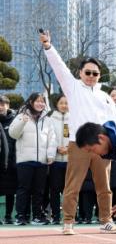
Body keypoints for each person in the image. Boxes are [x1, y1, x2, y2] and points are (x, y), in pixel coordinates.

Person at [39, 30, 116, 235]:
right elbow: (58, 67)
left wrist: (111, 145)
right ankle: (68, 221)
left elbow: (113, 124)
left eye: (95, 73)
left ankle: (106, 220)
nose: (91, 76)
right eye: (88, 72)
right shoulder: (73, 87)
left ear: (99, 76)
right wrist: (48, 46)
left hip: (102, 145)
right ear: (80, 73)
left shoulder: (106, 97)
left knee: (104, 186)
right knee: (72, 184)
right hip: (78, 143)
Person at [9, 92, 56, 225]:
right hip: (24, 160)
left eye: (42, 101)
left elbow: (52, 139)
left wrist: (51, 155)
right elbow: (13, 134)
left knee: (39, 190)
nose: (40, 104)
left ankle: (37, 216)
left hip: (41, 161)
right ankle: (20, 216)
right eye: (37, 101)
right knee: (23, 189)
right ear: (31, 102)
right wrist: (22, 123)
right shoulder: (21, 116)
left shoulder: (48, 120)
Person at [48, 94, 70, 224]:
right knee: (55, 189)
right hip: (55, 160)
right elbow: (49, 137)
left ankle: (70, 215)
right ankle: (55, 216)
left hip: (69, 160)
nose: (64, 105)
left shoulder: (73, 119)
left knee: (69, 190)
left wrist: (68, 148)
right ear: (57, 104)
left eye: (66, 103)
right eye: (62, 103)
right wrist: (57, 148)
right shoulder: (50, 119)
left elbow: (76, 137)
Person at [0, 95, 18, 224]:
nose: (1, 107)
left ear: (8, 105)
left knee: (10, 191)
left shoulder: (15, 120)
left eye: (3, 104)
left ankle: (8, 216)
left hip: (12, 161)